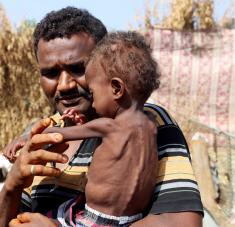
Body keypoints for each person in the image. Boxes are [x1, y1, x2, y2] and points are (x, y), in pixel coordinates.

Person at [0, 7, 203, 227]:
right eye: (50, 73)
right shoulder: (43, 133)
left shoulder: (148, 123)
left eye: (79, 68)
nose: (64, 84)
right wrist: (12, 183)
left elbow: (181, 222)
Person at [43, 31, 158, 226]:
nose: (92, 102)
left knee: (42, 218)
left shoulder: (108, 126)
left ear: (116, 89)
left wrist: (35, 134)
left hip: (93, 218)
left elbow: (57, 134)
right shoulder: (152, 124)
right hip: (132, 220)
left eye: (93, 92)